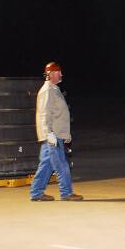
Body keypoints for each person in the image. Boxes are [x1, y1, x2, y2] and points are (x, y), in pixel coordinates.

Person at [29, 61, 83, 201]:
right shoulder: (47, 90)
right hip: (52, 135)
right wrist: (49, 134)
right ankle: (67, 193)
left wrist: (66, 134)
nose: (61, 74)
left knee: (46, 165)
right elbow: (44, 114)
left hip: (56, 134)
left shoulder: (54, 89)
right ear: (51, 74)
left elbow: (58, 114)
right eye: (59, 72)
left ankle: (36, 193)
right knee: (61, 164)